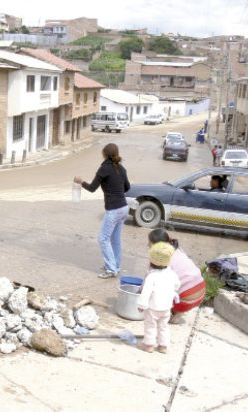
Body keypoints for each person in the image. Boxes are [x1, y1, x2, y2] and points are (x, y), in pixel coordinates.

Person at [74, 143, 130, 279]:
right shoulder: (121, 169)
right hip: (124, 208)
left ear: (104, 154)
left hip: (114, 210)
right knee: (115, 239)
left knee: (103, 239)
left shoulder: (104, 169)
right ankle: (115, 266)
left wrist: (81, 181)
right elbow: (127, 188)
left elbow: (92, 188)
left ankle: (111, 269)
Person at [147, 229, 206, 325]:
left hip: (185, 298)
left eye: (149, 242)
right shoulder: (178, 249)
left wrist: (139, 294)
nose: (147, 245)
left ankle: (172, 310)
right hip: (201, 293)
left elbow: (148, 280)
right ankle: (178, 311)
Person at [137, 242, 181, 354]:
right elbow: (177, 285)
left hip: (153, 308)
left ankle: (148, 344)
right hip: (166, 307)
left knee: (150, 326)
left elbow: (146, 293)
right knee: (163, 326)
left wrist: (142, 305)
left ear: (151, 260)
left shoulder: (152, 276)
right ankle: (163, 346)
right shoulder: (172, 274)